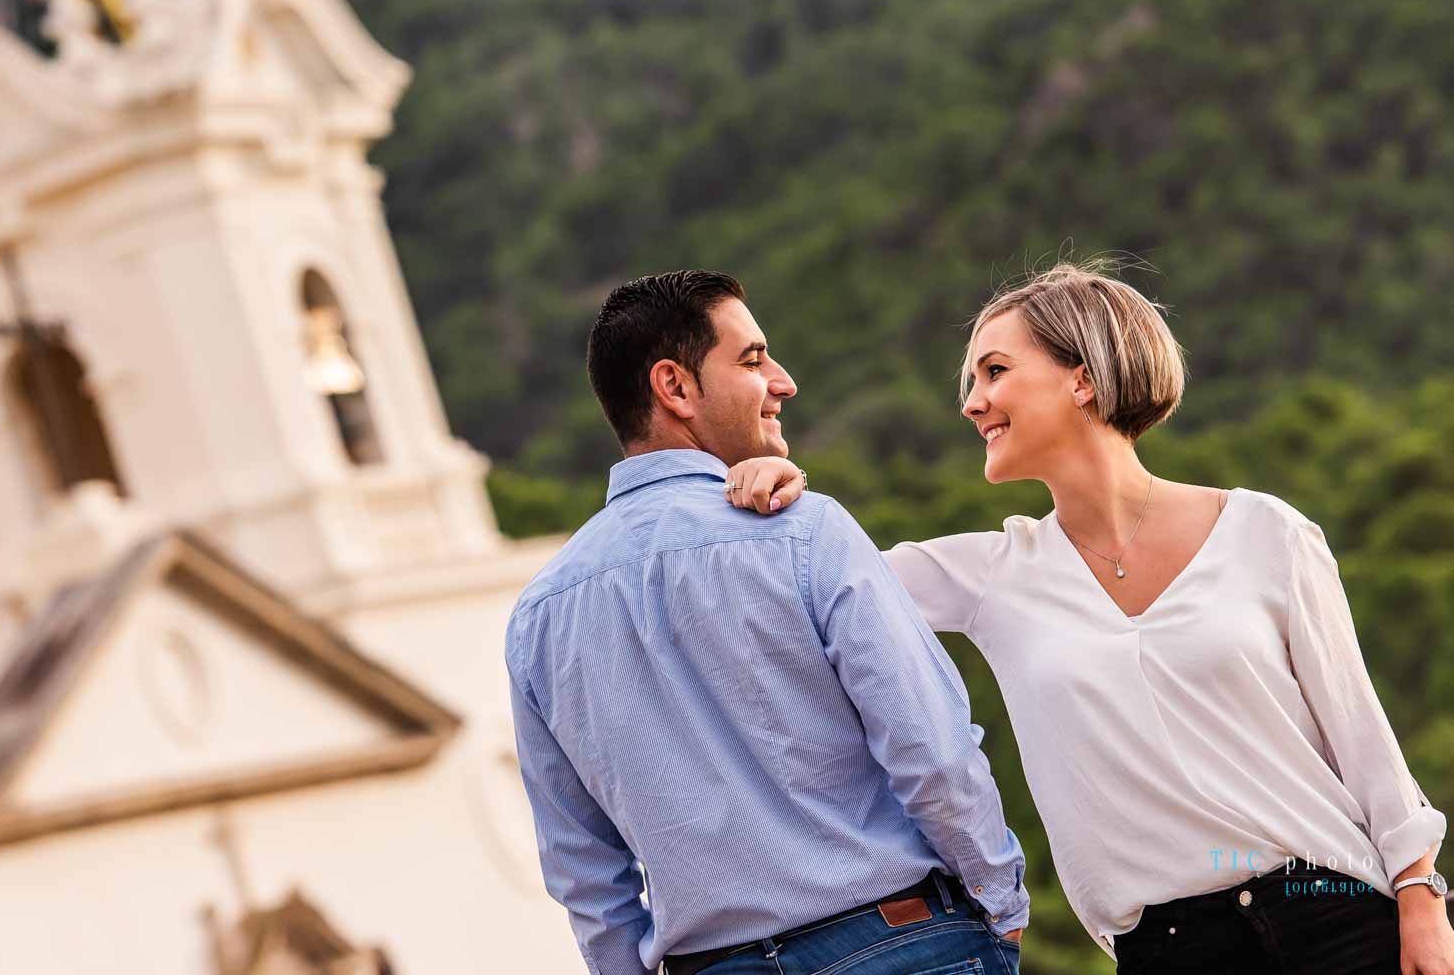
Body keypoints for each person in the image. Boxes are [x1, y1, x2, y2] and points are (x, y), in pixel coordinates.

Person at [723, 262, 1454, 975]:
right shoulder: (990, 574)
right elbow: (806, 586)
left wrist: (1422, 899)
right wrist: (786, 496)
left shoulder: (1268, 532)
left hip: (1338, 912)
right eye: (973, 381)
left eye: (995, 371)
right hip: (1168, 946)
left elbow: (1364, 738)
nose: (972, 403)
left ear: (1083, 377)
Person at [505, 270, 1030, 975]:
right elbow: (931, 750)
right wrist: (1001, 900)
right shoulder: (807, 533)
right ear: (675, 387)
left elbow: (583, 870)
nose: (783, 381)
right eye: (752, 359)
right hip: (901, 942)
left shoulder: (538, 617)